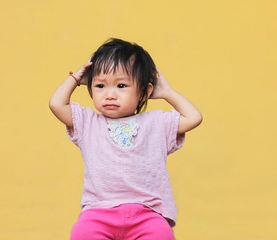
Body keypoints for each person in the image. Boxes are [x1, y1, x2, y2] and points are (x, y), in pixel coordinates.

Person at [49, 38, 203, 240]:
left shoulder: (157, 123)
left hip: (148, 215)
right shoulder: (87, 122)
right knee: (81, 233)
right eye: (100, 85)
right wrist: (75, 78)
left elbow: (193, 117)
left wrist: (167, 92)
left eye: (121, 85)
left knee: (163, 235)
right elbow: (56, 104)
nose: (110, 94)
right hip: (98, 213)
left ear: (144, 92)